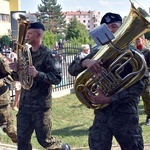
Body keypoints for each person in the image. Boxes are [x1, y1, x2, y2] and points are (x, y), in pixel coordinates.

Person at [68, 12, 146, 150]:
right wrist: (85, 62)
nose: (110, 30)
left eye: (114, 26)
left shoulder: (134, 54)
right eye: (107, 28)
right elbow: (72, 69)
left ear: (122, 28)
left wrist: (110, 99)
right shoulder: (97, 52)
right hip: (102, 116)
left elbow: (140, 87)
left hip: (125, 116)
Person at [9, 22, 70, 150]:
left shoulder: (49, 54)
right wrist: (16, 70)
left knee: (45, 140)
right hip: (25, 105)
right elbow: (20, 78)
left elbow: (57, 78)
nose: (26, 36)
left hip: (41, 106)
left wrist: (38, 74)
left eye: (30, 34)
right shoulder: (25, 54)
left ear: (38, 35)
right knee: (22, 140)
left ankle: (63, 147)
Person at [0, 53, 17, 143]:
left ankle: (23, 143)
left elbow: (11, 75)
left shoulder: (1, 59)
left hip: (1, 103)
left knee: (9, 130)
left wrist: (1, 82)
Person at [134, 35, 150, 125]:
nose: (138, 41)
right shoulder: (132, 51)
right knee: (133, 99)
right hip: (134, 79)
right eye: (136, 40)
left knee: (147, 98)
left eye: (139, 39)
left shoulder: (147, 52)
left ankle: (149, 116)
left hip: (145, 79)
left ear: (143, 40)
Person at [8, 47, 21, 111]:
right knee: (17, 91)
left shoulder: (20, 54)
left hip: (20, 75)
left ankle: (18, 104)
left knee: (20, 91)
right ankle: (14, 105)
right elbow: (10, 61)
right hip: (15, 75)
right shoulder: (12, 54)